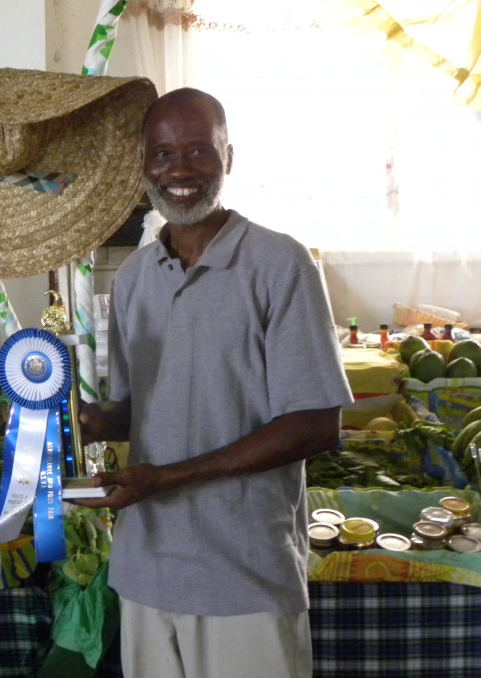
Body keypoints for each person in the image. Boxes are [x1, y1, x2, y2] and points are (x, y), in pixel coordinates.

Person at [74, 88, 353, 678]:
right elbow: (140, 408)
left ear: (229, 158)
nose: (179, 170)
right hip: (147, 567)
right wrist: (94, 421)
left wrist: (167, 478)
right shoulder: (132, 280)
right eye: (163, 153)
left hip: (242, 573)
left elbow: (315, 425)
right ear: (143, 164)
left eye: (200, 151)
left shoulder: (280, 265)